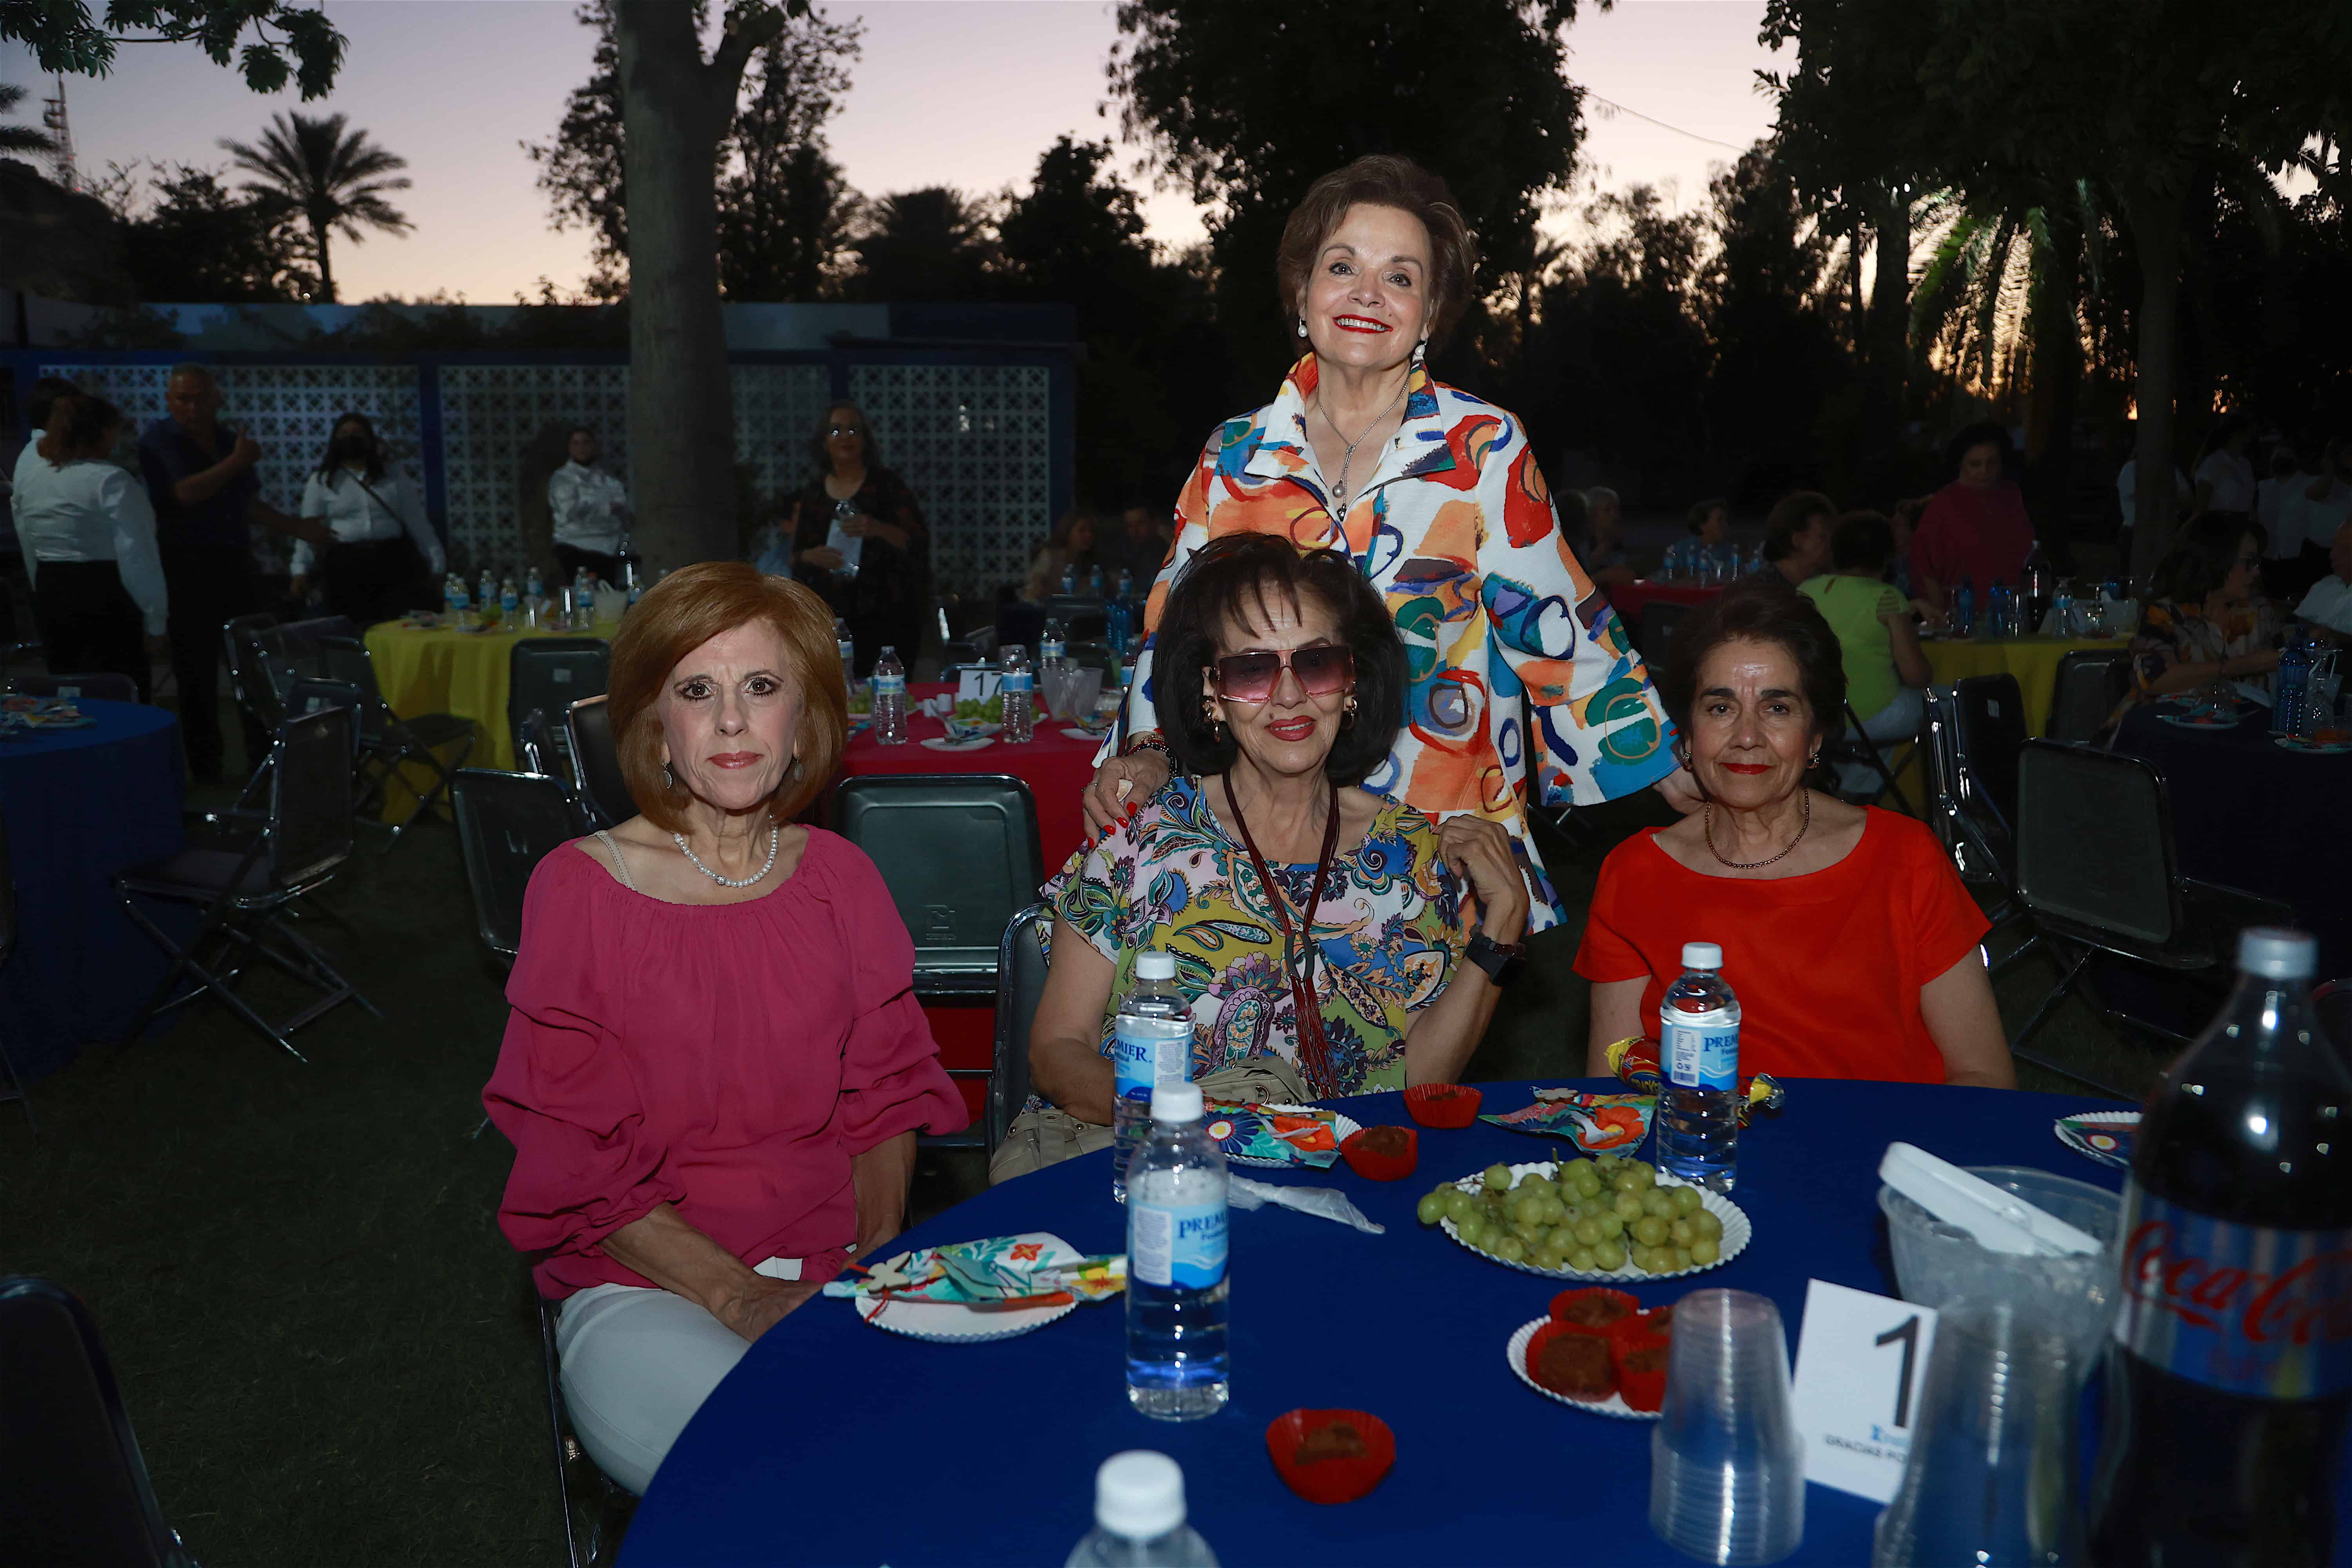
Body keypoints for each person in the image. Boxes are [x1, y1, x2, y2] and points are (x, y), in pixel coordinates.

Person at [1083, 155, 1686, 934]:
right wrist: (1149, 750)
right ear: (1301, 293)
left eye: (1401, 277)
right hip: (1263, 827)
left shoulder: (1484, 446)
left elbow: (1554, 620)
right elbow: (1175, 635)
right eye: (1342, 266)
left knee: (1421, 1058)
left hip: (1438, 829)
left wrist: (1659, 758)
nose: (1369, 292)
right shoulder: (1233, 456)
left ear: (1430, 311)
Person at [482, 561, 966, 1496]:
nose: (733, 721)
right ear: (656, 724)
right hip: (648, 1287)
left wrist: (868, 1260)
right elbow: (578, 1165)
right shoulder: (582, 890)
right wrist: (742, 1295)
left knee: (971, 1455)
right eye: (697, 691)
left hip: (836, 1269)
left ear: (804, 722)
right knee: (779, 1476)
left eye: (762, 687)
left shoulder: (839, 878)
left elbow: (886, 1100)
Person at [1013, 535, 1526, 1178]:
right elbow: (1058, 1050)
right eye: (1253, 669)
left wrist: (1501, 929)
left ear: (1353, 683)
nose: (1288, 696)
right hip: (1155, 1179)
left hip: (1342, 1183)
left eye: (1315, 665)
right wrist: (1202, 1122)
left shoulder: (1408, 856)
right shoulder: (1138, 840)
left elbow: (1420, 1076)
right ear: (1213, 693)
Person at [1576, 585, 2014, 1087]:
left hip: (1884, 1149)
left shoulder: (1903, 857)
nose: (1747, 736)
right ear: (1687, 735)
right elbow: (1611, 1090)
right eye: (1720, 708)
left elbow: (1984, 1075)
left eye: (1777, 708)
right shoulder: (1636, 873)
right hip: (1704, 1150)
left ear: (1816, 737)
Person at [136, 364, 330, 779]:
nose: (191, 407)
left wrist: (298, 528)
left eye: (199, 397)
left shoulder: (227, 439)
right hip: (186, 567)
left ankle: (263, 760)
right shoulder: (159, 440)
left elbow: (246, 502)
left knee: (250, 665)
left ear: (216, 399)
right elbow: (184, 494)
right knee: (196, 674)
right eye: (183, 399)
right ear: (169, 402)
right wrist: (237, 462)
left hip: (235, 563)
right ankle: (208, 767)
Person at [12, 394, 167, 700]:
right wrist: (156, 619)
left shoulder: (32, 479)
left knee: (70, 695)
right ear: (102, 432)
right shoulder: (110, 481)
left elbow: (27, 542)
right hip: (106, 597)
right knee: (121, 694)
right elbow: (137, 554)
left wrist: (41, 591)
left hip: (52, 592)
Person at [783, 402, 927, 677]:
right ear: (824, 442)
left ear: (865, 440)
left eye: (853, 430)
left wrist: (878, 529)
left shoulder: (887, 486)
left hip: (888, 617)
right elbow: (795, 556)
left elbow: (917, 542)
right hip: (831, 618)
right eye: (836, 431)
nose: (845, 437)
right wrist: (810, 556)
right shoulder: (813, 494)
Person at [1801, 513, 1930, 793]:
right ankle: (1948, 802)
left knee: (1875, 737)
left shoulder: (1807, 590)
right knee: (1946, 705)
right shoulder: (1886, 597)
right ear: (1887, 557)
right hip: (1870, 714)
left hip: (1820, 713)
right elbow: (1917, 676)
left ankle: (1851, 794)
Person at [290, 412, 443, 626]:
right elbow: (309, 529)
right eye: (343, 433)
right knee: (354, 629)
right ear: (334, 440)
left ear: (370, 439)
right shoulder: (322, 481)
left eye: (357, 433)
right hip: (345, 567)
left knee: (397, 626)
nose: (350, 437)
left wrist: (437, 564)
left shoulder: (393, 477)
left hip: (392, 562)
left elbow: (418, 523)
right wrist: (300, 570)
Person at [2129, 513, 2281, 699]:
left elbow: (2283, 667)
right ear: (2215, 560)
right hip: (2162, 723)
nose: (2257, 572)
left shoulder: (2260, 611)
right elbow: (2153, 679)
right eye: (2248, 562)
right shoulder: (2163, 614)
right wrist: (2244, 666)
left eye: (2258, 562)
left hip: (2240, 724)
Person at [1913, 423, 2034, 615]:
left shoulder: (2012, 496)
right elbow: (1925, 569)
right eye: (1975, 464)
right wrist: (1942, 618)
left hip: (2012, 613)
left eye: (1992, 463)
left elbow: (2028, 554)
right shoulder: (1944, 504)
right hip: (1963, 615)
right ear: (1961, 463)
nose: (1984, 471)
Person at [546, 426, 633, 585]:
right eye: (576, 443)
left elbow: (622, 507)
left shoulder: (606, 478)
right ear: (569, 448)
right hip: (575, 546)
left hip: (609, 547)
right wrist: (606, 509)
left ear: (594, 446)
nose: (582, 448)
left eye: (586, 443)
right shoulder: (563, 479)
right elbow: (569, 513)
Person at [2290, 519, 2352, 639]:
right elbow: (2294, 628)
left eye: (2343, 549)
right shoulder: (2324, 586)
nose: (2332, 555)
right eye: (2335, 547)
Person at [1760, 490, 1836, 588]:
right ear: (1797, 541)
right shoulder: (1762, 594)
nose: (1833, 543)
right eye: (1823, 536)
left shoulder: (1818, 589)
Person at [1023, 507, 1098, 603]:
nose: (1088, 535)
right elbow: (1031, 590)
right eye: (1082, 530)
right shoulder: (1050, 556)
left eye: (1091, 531)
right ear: (1068, 532)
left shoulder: (1090, 563)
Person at [2190, 414, 2258, 517]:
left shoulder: (2245, 464)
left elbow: (2248, 502)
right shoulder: (2213, 464)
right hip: (2221, 528)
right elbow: (2201, 508)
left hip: (2243, 527)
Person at [1099, 502, 1173, 583]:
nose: (1135, 531)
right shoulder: (1121, 548)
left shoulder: (1167, 545)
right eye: (1130, 526)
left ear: (1154, 523)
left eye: (1140, 524)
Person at [1577, 485, 1634, 586]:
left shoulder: (1616, 542)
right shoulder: (1580, 543)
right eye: (1607, 510)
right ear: (1592, 514)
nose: (1615, 515)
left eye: (1616, 509)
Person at [1662, 497, 1732, 580]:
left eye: (1725, 520)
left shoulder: (1729, 550)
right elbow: (1667, 578)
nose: (1725, 525)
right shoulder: (1683, 550)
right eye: (1720, 521)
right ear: (1702, 526)